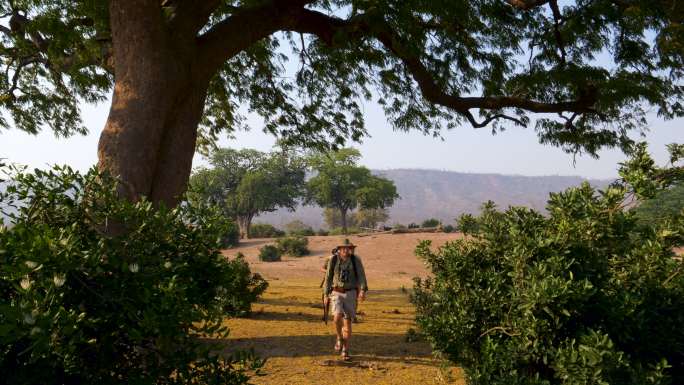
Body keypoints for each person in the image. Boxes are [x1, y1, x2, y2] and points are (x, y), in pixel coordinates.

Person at [322, 239, 368, 360]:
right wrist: (326, 295)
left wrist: (362, 290)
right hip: (336, 292)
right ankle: (339, 337)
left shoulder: (355, 260)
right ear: (339, 249)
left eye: (349, 248)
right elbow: (328, 277)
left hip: (351, 293)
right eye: (344, 248)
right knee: (337, 317)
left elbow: (362, 276)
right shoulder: (333, 259)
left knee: (347, 323)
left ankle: (345, 350)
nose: (347, 251)